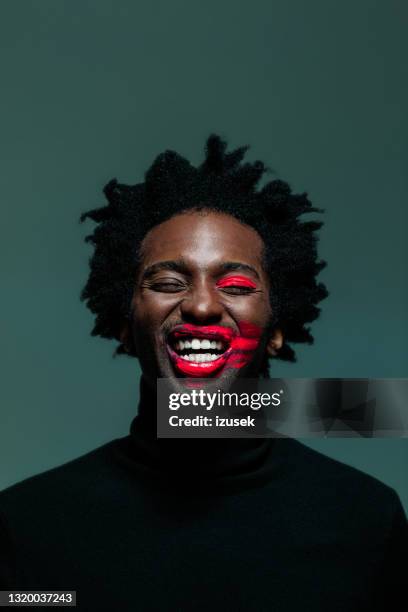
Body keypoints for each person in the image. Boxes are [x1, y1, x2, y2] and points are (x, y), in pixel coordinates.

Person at [0, 135, 406, 611]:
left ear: (278, 329)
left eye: (235, 284)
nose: (200, 304)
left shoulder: (366, 521)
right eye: (169, 283)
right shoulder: (28, 524)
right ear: (125, 327)